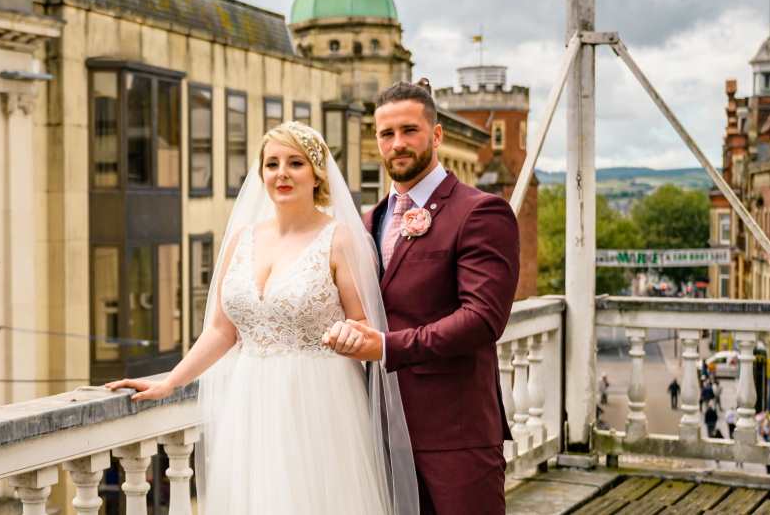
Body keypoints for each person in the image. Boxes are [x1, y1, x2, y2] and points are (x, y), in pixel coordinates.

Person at [103, 120, 416, 513]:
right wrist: (171, 382)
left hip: (318, 398)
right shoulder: (242, 238)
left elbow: (366, 325)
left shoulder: (340, 239)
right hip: (249, 399)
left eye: (295, 163)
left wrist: (348, 334)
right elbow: (221, 330)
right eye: (272, 164)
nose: (282, 173)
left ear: (316, 174)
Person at [324, 80, 520, 515]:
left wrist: (388, 346)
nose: (397, 144)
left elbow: (483, 318)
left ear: (436, 135)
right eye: (386, 134)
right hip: (381, 432)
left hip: (456, 433)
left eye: (410, 131)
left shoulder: (481, 211)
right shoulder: (367, 220)